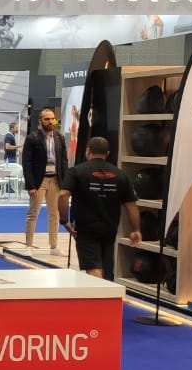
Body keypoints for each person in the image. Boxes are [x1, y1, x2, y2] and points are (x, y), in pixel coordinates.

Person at [58, 137, 141, 280]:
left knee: (93, 267)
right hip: (109, 228)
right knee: (106, 266)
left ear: (88, 151)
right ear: (107, 153)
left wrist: (64, 220)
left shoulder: (77, 172)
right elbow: (131, 205)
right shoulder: (121, 174)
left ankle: (99, 292)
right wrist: (136, 230)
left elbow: (62, 195)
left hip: (86, 228)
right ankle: (105, 290)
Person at [22, 108, 68, 256]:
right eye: (47, 119)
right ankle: (28, 246)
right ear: (40, 121)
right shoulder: (32, 138)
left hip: (55, 180)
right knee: (33, 214)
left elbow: (64, 161)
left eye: (52, 118)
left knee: (54, 214)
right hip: (38, 181)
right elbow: (27, 163)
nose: (50, 121)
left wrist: (65, 183)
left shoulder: (59, 137)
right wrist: (30, 185)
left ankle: (54, 247)